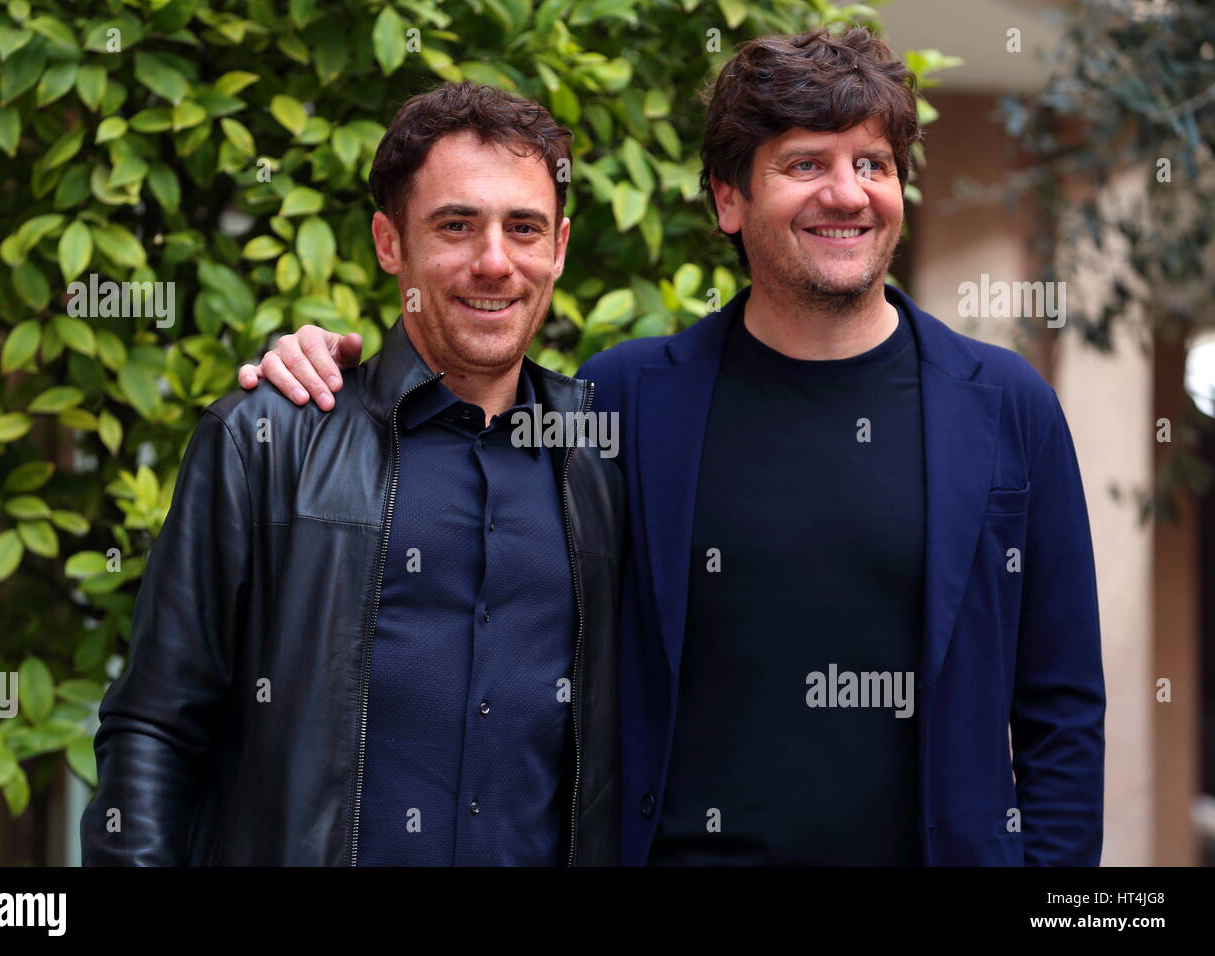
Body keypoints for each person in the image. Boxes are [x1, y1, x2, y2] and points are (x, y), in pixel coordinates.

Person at [239, 29, 1106, 866]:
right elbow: (476, 506)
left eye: (872, 164)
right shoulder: (623, 399)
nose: (848, 193)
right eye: (806, 164)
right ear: (729, 199)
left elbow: (1061, 707)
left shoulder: (1005, 406)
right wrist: (332, 379)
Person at [82, 83, 625, 866]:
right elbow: (155, 727)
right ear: (389, 242)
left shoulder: (607, 456)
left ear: (560, 247)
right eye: (456, 225)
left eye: (525, 228)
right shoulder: (268, 441)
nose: (495, 261)